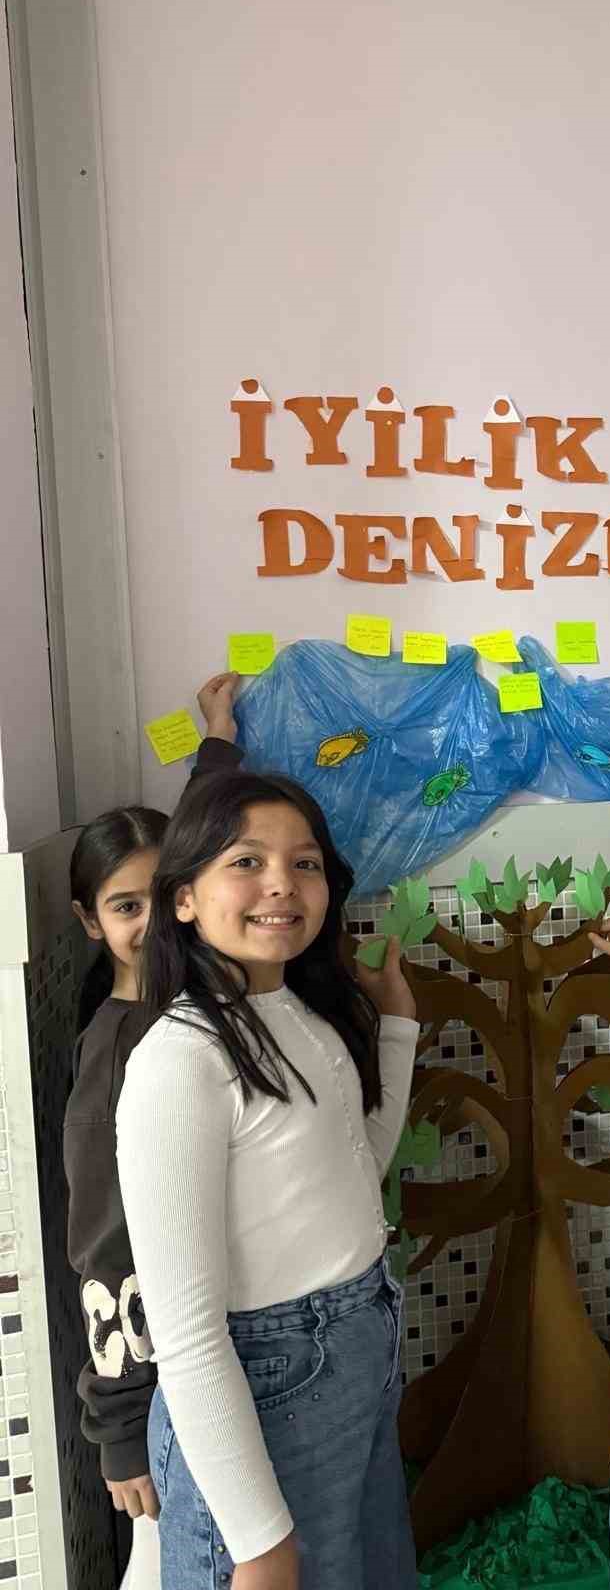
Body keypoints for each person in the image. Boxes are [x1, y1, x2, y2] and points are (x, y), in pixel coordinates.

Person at [116, 770, 420, 1590]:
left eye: (304, 863)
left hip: (353, 1351)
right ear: (184, 897)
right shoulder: (180, 1061)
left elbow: (356, 1172)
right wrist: (255, 1540)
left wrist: (397, 1026)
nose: (282, 883)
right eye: (246, 862)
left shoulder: (301, 1014)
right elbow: (186, 1332)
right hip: (266, 1385)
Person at [66, 673, 244, 1590]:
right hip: (164, 1389)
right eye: (121, 907)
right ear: (88, 922)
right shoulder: (118, 1058)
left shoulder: (191, 998)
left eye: (157, 898)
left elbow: (199, 832)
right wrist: (121, 1429)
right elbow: (106, 1253)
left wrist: (219, 738)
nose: (148, 921)